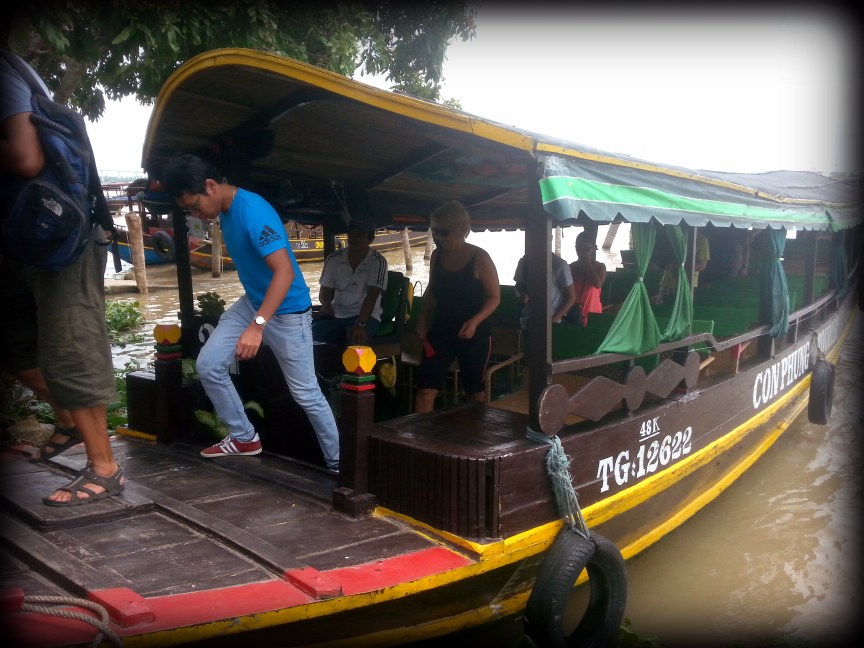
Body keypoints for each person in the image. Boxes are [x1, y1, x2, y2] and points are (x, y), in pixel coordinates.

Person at [0, 48, 125, 505]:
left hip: (58, 234)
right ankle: (69, 419)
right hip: (18, 239)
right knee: (13, 343)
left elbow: (26, 156)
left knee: (71, 343)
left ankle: (106, 467)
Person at [163, 154, 339, 472]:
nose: (194, 214)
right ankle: (244, 436)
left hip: (287, 311)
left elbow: (284, 273)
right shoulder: (225, 211)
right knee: (209, 364)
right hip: (253, 302)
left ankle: (338, 463)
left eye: (193, 206)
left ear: (210, 186)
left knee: (306, 393)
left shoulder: (253, 211)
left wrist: (257, 326)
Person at [414, 200, 500, 414]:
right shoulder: (436, 256)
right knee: (425, 389)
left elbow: (494, 297)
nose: (438, 238)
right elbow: (432, 292)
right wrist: (423, 320)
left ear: (462, 229)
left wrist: (474, 321)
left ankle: (475, 440)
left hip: (474, 334)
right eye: (434, 233)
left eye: (444, 233)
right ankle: (419, 439)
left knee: (474, 392)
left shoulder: (480, 258)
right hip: (440, 330)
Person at [312, 215, 387, 349]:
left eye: (360, 235)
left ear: (370, 239)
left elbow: (371, 297)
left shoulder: (377, 261)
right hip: (337, 315)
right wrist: (327, 306)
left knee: (353, 349)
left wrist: (361, 324)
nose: (354, 239)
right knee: (310, 338)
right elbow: (325, 291)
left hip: (366, 317)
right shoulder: (333, 259)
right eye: (351, 235)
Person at [513, 251, 576, 328]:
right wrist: (520, 295)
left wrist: (552, 320)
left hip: (552, 322)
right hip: (526, 320)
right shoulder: (524, 261)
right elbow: (518, 285)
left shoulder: (559, 264)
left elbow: (571, 297)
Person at [655, 227, 710, 304]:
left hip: (687, 285)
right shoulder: (672, 234)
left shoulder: (701, 239)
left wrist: (677, 266)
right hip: (667, 284)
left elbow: (702, 266)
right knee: (663, 312)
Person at [567, 230, 607, 326]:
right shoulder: (571, 268)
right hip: (573, 316)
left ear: (593, 249)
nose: (581, 252)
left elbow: (597, 284)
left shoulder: (600, 267)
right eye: (579, 248)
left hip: (593, 317)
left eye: (586, 249)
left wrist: (586, 261)